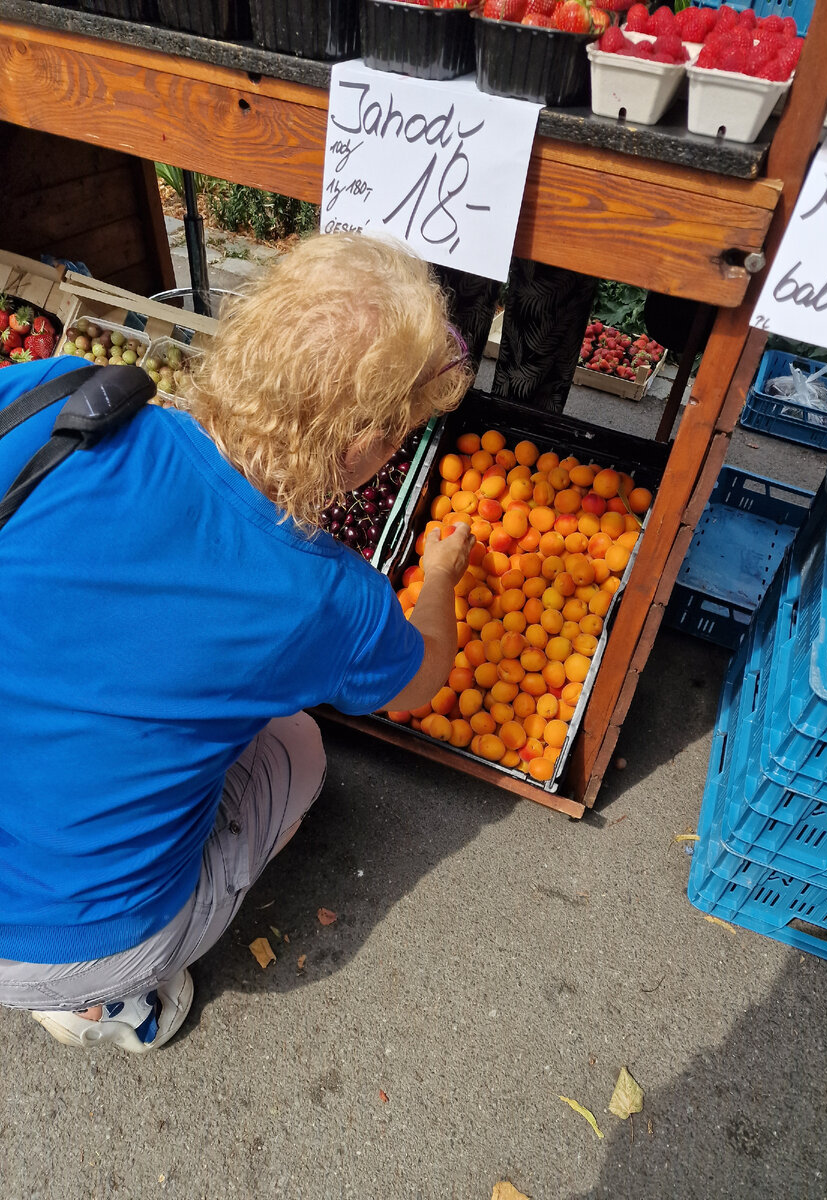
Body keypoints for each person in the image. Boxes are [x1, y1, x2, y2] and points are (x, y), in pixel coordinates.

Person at [0, 233, 475, 1054]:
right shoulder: (321, 595)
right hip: (71, 944)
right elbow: (424, 678)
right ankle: (114, 1006)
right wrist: (439, 579)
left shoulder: (58, 398)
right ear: (369, 442)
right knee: (299, 747)